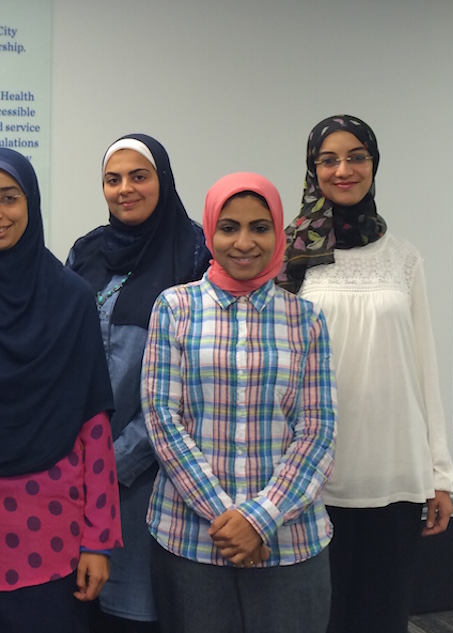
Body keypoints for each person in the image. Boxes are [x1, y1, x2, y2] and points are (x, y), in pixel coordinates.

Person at [0, 148, 122, 632]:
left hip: (49, 535)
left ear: (30, 204)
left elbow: (93, 423)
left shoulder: (71, 298)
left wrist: (98, 541)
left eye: (8, 198)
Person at [277, 114, 453, 633]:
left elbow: (425, 369)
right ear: (313, 170)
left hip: (395, 476)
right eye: (328, 159)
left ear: (374, 164)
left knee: (381, 617)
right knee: (319, 619)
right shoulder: (292, 257)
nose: (343, 170)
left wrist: (439, 476)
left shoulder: (404, 258)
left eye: (357, 156)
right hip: (314, 479)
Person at [143, 172, 336, 633]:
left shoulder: (305, 319)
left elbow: (317, 430)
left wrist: (260, 518)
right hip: (191, 539)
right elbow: (163, 420)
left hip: (290, 541)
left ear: (278, 232)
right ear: (210, 230)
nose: (244, 242)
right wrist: (228, 519)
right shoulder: (175, 308)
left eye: (260, 227)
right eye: (229, 227)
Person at [67, 134, 209, 633]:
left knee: (139, 613)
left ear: (163, 180)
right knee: (81, 603)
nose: (125, 188)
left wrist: (114, 461)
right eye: (113, 178)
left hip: (151, 474)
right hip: (76, 464)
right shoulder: (85, 251)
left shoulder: (196, 255)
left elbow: (194, 381)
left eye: (139, 176)